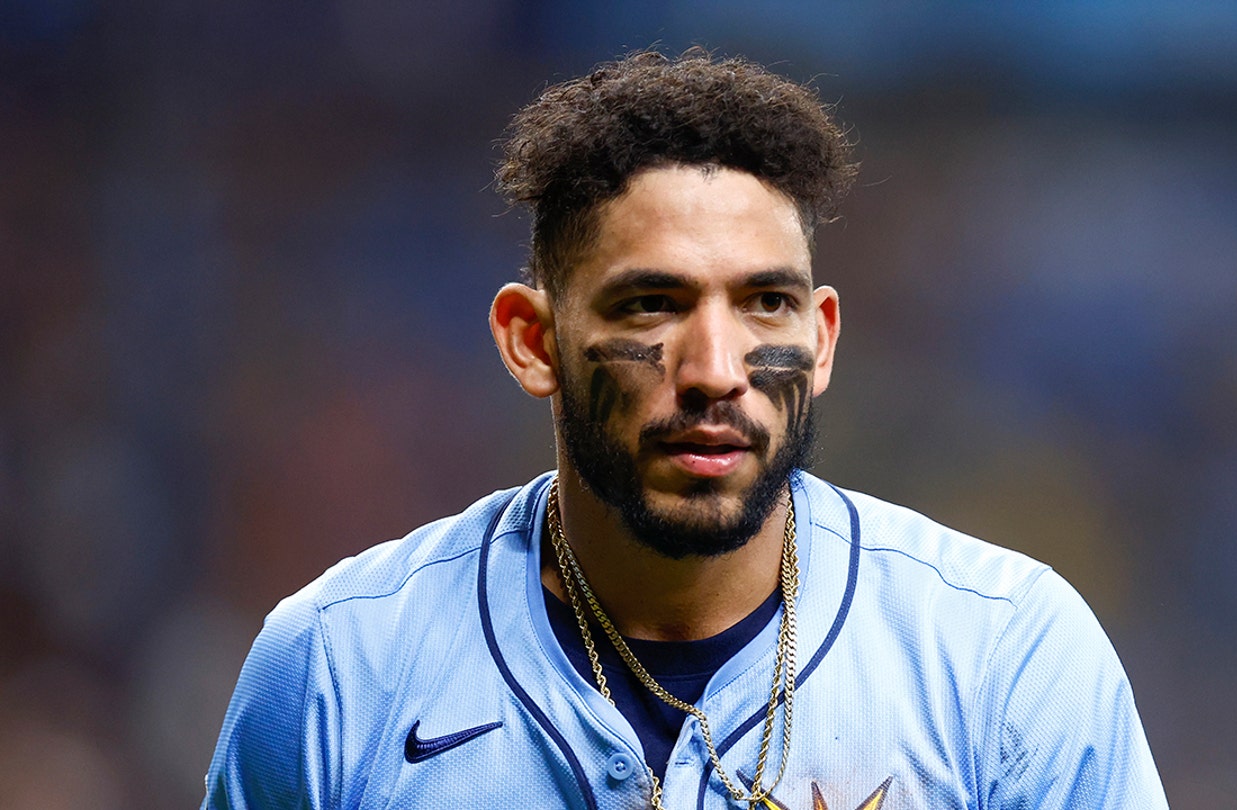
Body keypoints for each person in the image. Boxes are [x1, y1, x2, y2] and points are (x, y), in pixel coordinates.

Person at [202, 48, 1167, 810]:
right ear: (532, 340)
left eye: (766, 304)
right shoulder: (340, 668)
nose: (714, 370)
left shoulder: (1005, 660)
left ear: (822, 340)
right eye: (651, 305)